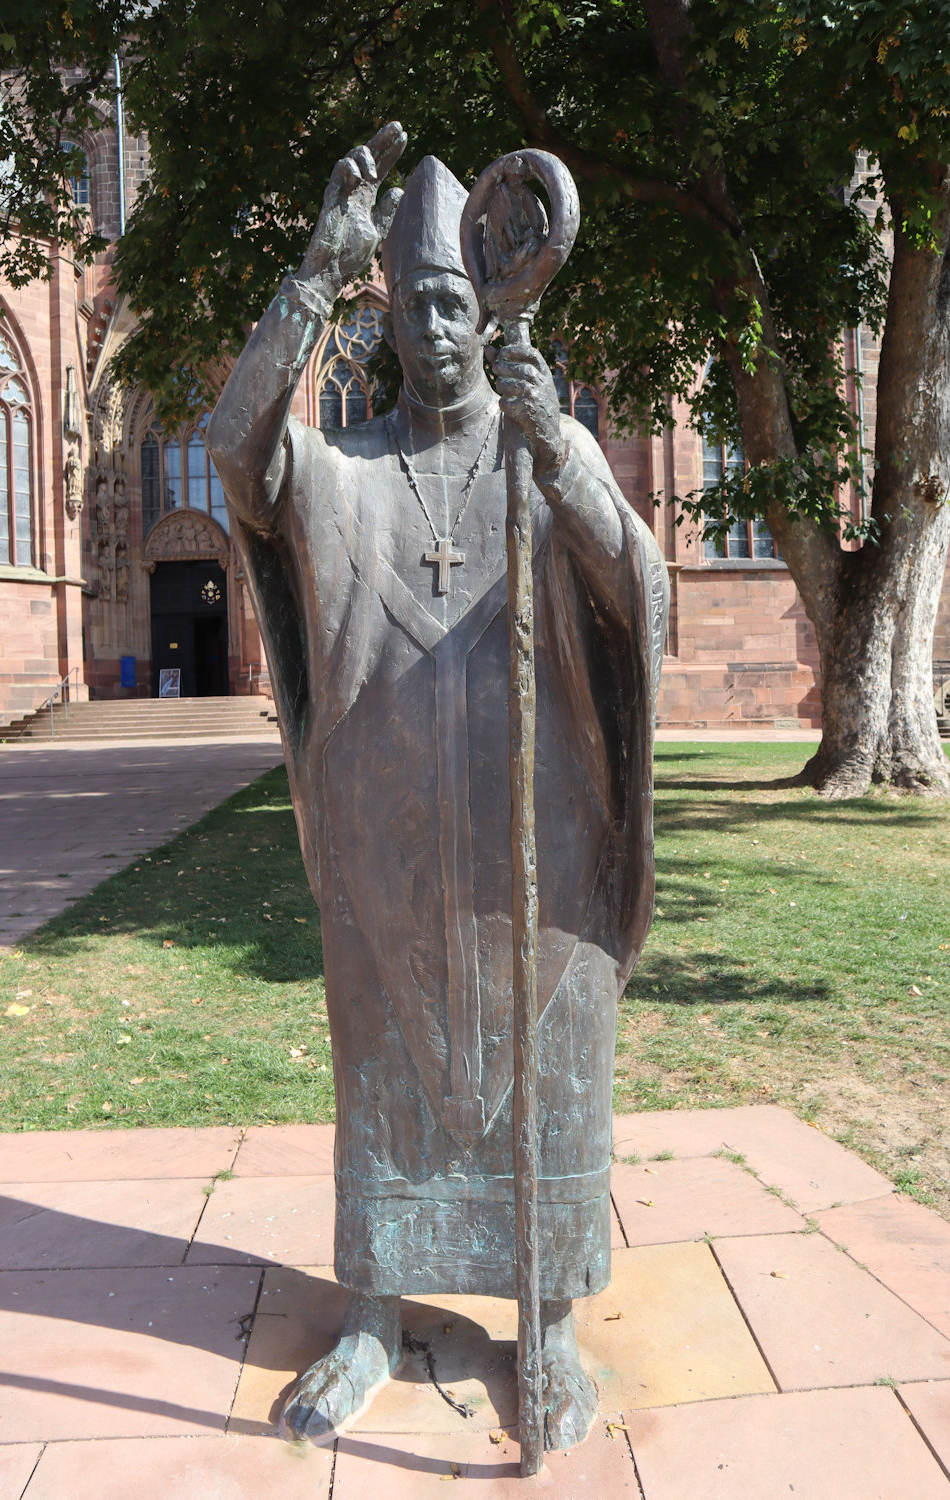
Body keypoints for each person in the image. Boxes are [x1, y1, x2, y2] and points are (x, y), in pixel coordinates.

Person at [208, 122, 667, 1448]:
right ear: (391, 319)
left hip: (547, 839)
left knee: (549, 1070)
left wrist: (569, 455)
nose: (438, 327)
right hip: (386, 844)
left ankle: (550, 1323)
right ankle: (368, 1315)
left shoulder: (541, 450)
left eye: (458, 300)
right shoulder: (340, 476)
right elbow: (237, 449)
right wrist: (310, 276)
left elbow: (641, 590)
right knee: (387, 1076)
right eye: (413, 305)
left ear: (492, 305)